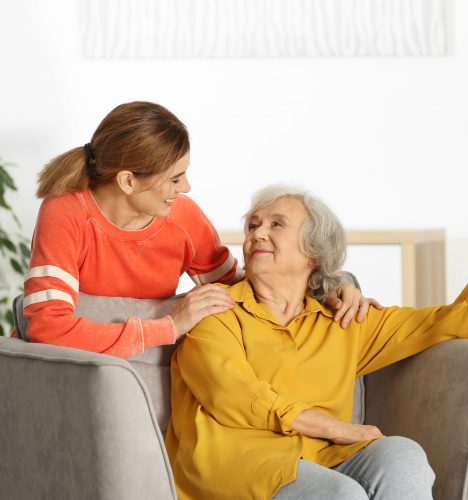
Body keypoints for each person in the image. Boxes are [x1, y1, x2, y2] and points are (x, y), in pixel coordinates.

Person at [165, 185, 468, 499]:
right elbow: (234, 395)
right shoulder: (215, 309)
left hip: (322, 458)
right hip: (235, 464)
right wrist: (336, 428)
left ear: (314, 252)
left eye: (276, 224)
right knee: (341, 494)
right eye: (252, 225)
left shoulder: (343, 321)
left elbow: (450, 323)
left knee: (401, 455)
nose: (257, 234)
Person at [22, 102, 372, 359]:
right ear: (128, 181)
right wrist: (169, 327)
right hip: (72, 379)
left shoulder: (183, 218)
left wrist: (331, 288)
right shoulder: (65, 213)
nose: (186, 187)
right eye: (175, 178)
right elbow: (47, 327)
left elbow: (247, 289)